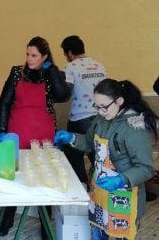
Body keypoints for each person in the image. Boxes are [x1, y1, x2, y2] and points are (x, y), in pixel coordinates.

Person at [55, 79, 157, 240]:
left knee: (119, 236)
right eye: (97, 106)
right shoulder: (101, 120)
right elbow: (89, 142)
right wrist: (71, 138)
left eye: (104, 106)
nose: (100, 111)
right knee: (98, 233)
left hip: (124, 197)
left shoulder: (134, 126)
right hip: (101, 193)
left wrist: (122, 179)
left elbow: (146, 168)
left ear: (119, 101)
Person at [0, 36, 71, 236]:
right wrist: (2, 131)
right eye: (28, 54)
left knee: (44, 177)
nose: (29, 59)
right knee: (12, 176)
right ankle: (8, 217)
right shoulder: (16, 73)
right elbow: (4, 102)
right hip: (16, 134)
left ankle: (46, 225)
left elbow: (63, 95)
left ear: (44, 56)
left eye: (34, 55)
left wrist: (52, 70)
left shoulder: (50, 75)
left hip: (43, 135)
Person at [61, 35, 107, 183]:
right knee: (98, 153)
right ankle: (100, 185)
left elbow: (65, 93)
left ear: (69, 53)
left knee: (74, 152)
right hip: (102, 116)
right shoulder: (99, 66)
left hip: (79, 118)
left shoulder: (70, 67)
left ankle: (81, 184)